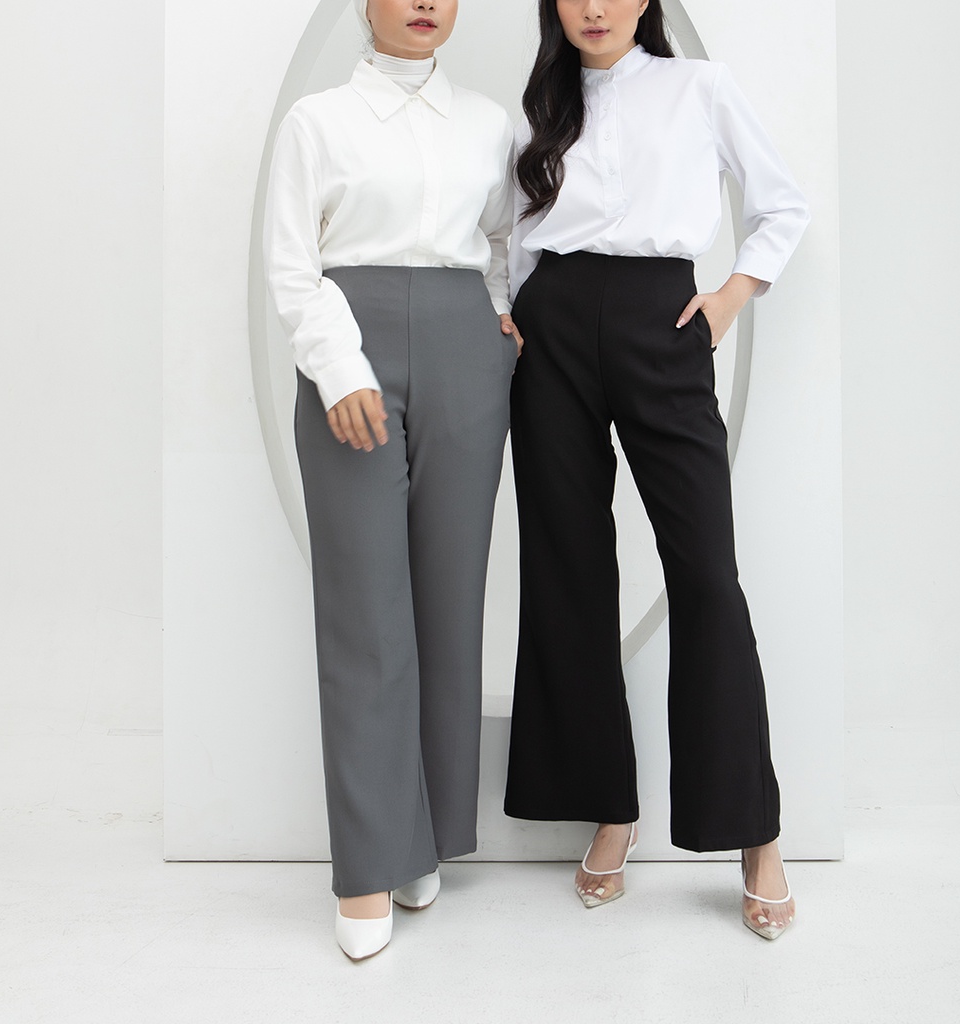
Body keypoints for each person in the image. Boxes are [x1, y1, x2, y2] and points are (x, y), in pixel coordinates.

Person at [503, 0, 810, 940]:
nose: (594, 7)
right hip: (552, 329)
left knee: (706, 574)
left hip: (661, 321)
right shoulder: (541, 103)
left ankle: (754, 832)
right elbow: (509, 228)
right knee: (566, 568)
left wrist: (730, 296)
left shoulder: (698, 86)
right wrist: (508, 306)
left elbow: (782, 202)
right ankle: (610, 807)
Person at [264, 0, 522, 961]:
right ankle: (369, 863)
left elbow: (503, 241)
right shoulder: (317, 122)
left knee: (450, 602)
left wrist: (497, 321)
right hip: (352, 339)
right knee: (365, 610)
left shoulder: (489, 123)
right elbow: (293, 264)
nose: (424, 3)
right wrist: (339, 367)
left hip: (466, 353)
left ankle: (427, 835)